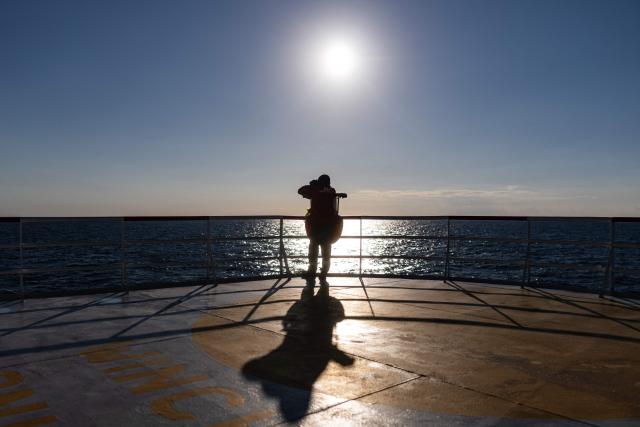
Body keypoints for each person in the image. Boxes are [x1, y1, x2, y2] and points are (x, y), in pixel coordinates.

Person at [297, 174, 341, 283]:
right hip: (329, 226)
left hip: (316, 226)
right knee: (326, 249)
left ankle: (312, 271)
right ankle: (324, 272)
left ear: (320, 182)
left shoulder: (315, 191)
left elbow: (301, 190)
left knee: (313, 248)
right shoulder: (332, 191)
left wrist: (313, 185)